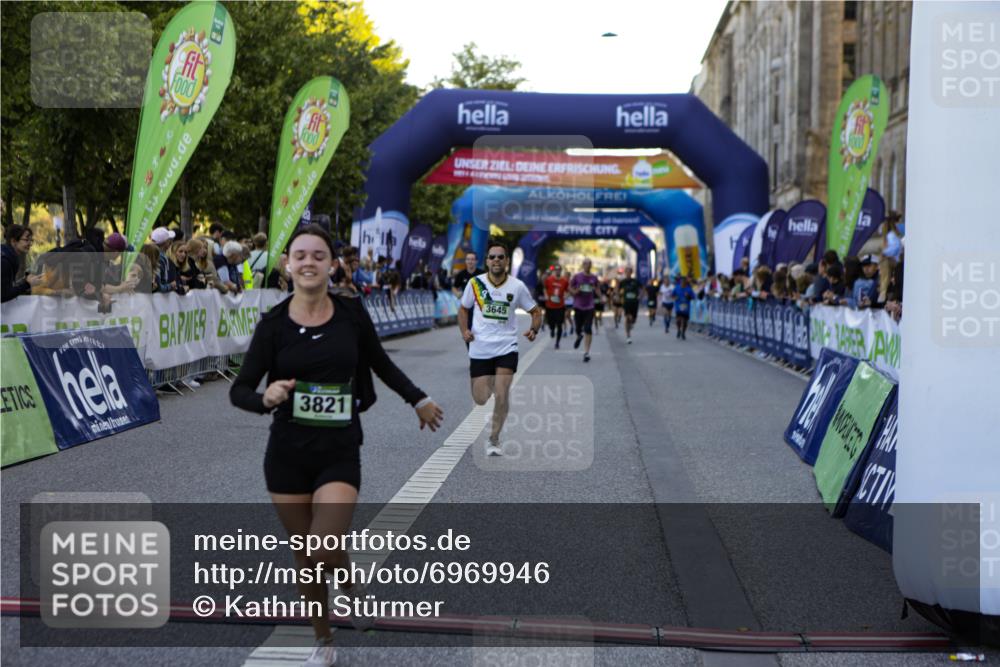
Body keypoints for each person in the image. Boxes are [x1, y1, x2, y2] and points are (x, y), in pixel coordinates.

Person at [230, 225, 443, 666]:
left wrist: (417, 399)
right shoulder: (272, 325)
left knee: (323, 544)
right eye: (300, 255)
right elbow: (241, 389)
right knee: (306, 555)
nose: (308, 262)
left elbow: (380, 363)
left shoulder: (350, 314)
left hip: (339, 449)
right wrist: (262, 399)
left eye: (318, 255)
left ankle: (349, 588)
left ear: (331, 264)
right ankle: (324, 639)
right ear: (288, 265)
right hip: (287, 453)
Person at [458, 239, 542, 455]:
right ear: (486, 261)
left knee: (502, 393)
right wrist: (464, 331)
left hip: (507, 346)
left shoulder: (517, 286)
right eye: (492, 257)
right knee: (480, 398)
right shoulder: (475, 284)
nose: (496, 260)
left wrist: (534, 329)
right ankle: (491, 387)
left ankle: (494, 439)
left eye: (500, 257)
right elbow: (463, 309)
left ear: (506, 261)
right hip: (480, 348)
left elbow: (535, 311)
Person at [569, 258, 599, 362]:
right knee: (578, 328)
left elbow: (597, 288)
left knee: (588, 329)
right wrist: (575, 291)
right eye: (586, 264)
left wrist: (601, 296)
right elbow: (570, 287)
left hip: (589, 306)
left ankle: (586, 352)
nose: (588, 265)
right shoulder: (577, 276)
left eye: (590, 264)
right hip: (578, 306)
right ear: (583, 265)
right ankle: (579, 336)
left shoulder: (594, 277)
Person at [1, 224, 42, 302]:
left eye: (31, 240)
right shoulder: (4, 262)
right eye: (26, 240)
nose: (30, 244)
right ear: (13, 241)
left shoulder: (7, 255)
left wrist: (24, 281)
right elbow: (3, 295)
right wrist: (27, 284)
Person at [543, 264, 569, 348]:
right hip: (550, 306)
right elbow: (544, 288)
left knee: (559, 324)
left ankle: (557, 343)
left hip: (560, 306)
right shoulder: (549, 279)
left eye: (559, 270)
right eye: (556, 270)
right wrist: (546, 295)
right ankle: (552, 329)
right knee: (551, 323)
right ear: (554, 271)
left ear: (560, 271)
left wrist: (567, 296)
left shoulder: (564, 281)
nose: (557, 271)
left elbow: (568, 290)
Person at [617, 267, 642, 344]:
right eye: (626, 272)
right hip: (626, 302)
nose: (628, 273)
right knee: (628, 317)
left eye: (629, 272)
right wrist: (618, 296)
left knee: (633, 319)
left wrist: (640, 296)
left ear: (631, 273)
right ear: (625, 273)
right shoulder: (623, 282)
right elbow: (617, 289)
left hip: (634, 302)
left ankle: (631, 323)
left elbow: (643, 288)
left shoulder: (635, 281)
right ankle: (628, 336)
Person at [673, 276, 697, 340]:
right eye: (682, 282)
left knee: (685, 321)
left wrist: (688, 296)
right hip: (678, 306)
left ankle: (683, 333)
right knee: (678, 320)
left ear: (686, 282)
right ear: (680, 282)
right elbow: (672, 295)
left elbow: (693, 297)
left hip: (686, 307)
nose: (683, 283)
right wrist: (675, 298)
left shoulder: (689, 289)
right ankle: (678, 330)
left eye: (684, 282)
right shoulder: (677, 288)